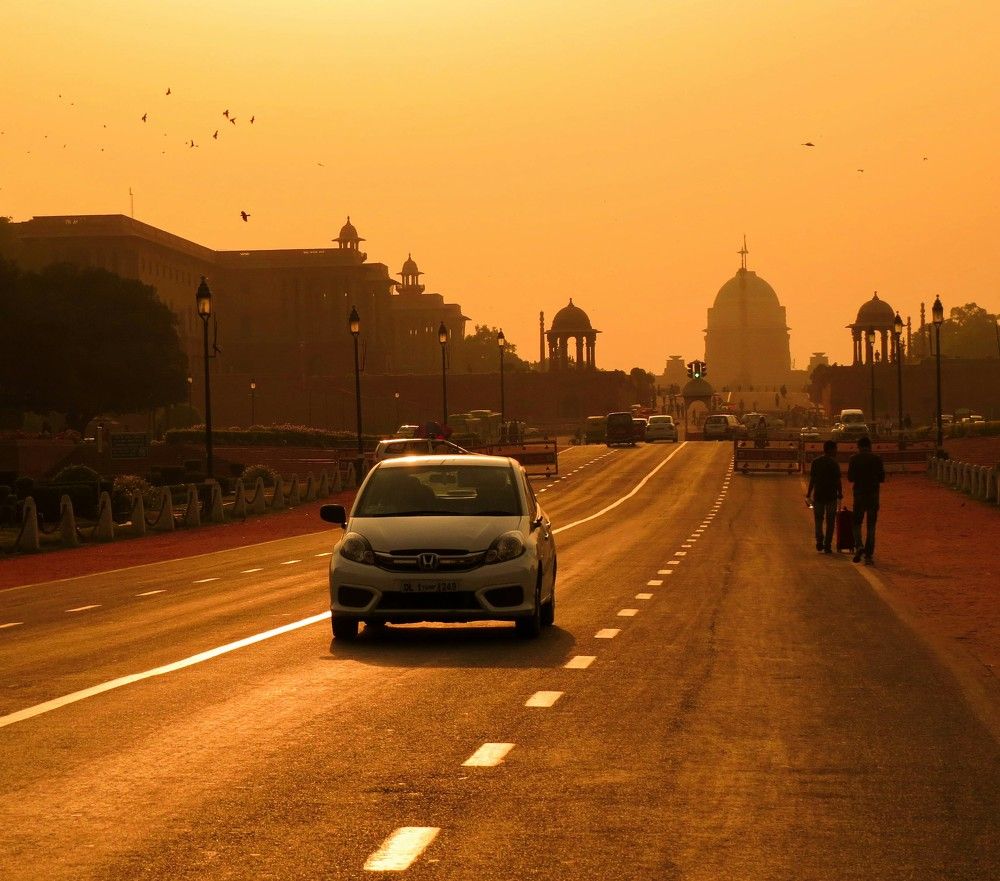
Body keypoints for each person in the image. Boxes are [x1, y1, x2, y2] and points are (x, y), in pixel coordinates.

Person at [847, 435, 885, 564]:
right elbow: (882, 478)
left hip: (859, 494)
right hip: (873, 494)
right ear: (870, 446)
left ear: (859, 446)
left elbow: (850, 478)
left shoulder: (853, 459)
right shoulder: (877, 459)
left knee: (857, 523)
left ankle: (859, 546)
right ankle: (868, 555)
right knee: (871, 525)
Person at [806, 439, 842, 553]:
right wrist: (840, 493)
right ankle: (827, 545)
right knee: (830, 521)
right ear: (831, 450)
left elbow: (812, 479)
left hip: (819, 495)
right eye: (835, 449)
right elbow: (837, 480)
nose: (836, 451)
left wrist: (808, 493)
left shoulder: (816, 462)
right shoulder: (834, 463)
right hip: (831, 496)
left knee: (818, 520)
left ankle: (819, 541)